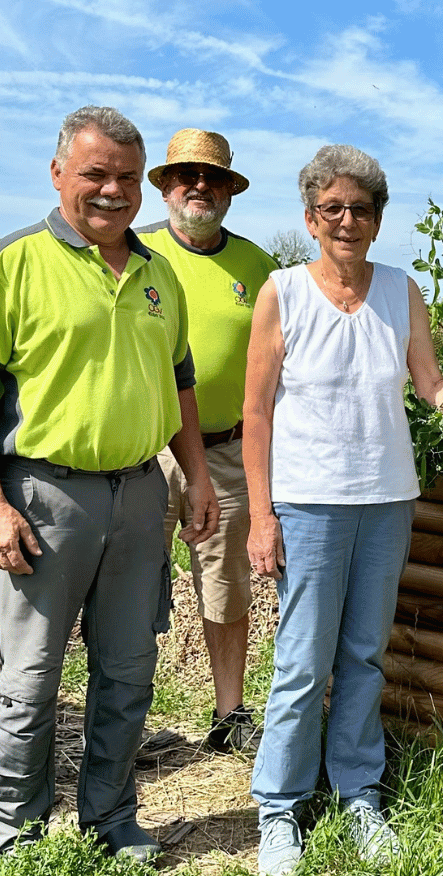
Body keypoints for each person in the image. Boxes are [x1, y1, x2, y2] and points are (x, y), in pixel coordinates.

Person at [242, 144, 443, 876]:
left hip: (385, 500)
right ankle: (278, 810)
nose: (347, 220)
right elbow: (254, 415)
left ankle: (359, 796)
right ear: (311, 219)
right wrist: (261, 516)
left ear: (377, 221)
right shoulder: (282, 292)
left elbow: (432, 385)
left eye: (361, 209)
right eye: (332, 208)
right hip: (307, 502)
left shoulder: (400, 291)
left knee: (365, 656)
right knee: (302, 663)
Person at [0, 106, 221, 862]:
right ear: (59, 171)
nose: (112, 191)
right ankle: (12, 830)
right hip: (42, 498)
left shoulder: (161, 274)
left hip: (138, 496)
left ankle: (111, 820)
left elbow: (180, 383)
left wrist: (196, 476)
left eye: (127, 178)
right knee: (30, 680)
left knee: (129, 671)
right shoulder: (14, 262)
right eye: (96, 173)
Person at [134, 128, 279, 754]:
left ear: (229, 191)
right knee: (128, 584)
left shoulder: (259, 267)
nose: (199, 187)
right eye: (186, 175)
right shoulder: (128, 252)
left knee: (225, 583)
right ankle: (126, 723)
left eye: (213, 178)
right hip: (139, 452)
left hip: (225, 452)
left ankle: (229, 716)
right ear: (164, 186)